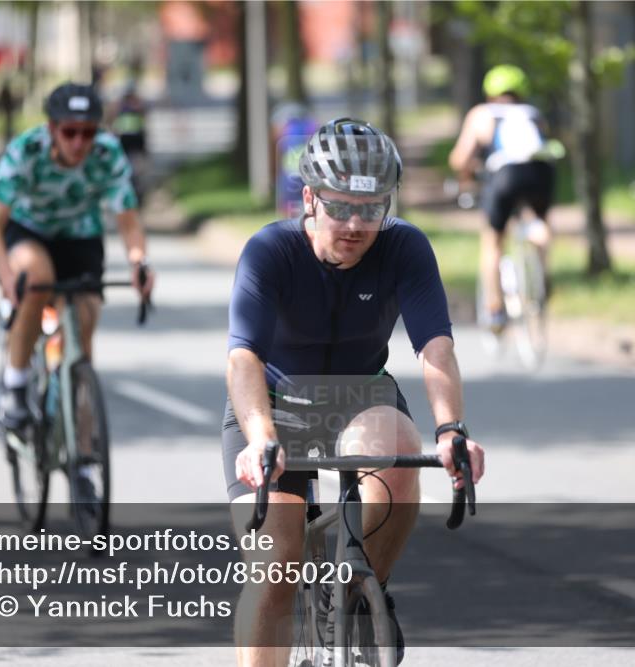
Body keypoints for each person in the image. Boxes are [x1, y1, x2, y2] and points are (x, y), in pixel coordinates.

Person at [223, 117, 485, 665]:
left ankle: (359, 594)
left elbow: (435, 348)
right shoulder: (270, 250)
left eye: (372, 209)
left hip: (360, 397)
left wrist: (451, 430)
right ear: (310, 199)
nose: (356, 224)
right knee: (274, 569)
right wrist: (260, 436)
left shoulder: (404, 247)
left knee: (401, 452)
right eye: (341, 207)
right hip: (274, 407)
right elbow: (244, 357)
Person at [0, 82, 155, 434]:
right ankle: (15, 384)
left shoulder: (107, 153)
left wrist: (139, 262)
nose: (79, 142)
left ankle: (83, 448)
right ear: (52, 129)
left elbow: (128, 221)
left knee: (84, 323)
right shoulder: (26, 151)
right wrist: (6, 276)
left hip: (80, 236)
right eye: (70, 132)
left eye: (88, 132)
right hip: (29, 230)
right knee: (37, 278)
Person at [448, 64, 556, 333]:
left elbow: (460, 158)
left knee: (493, 241)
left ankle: (495, 309)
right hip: (541, 171)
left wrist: (467, 176)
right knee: (538, 221)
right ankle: (542, 275)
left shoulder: (482, 113)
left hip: (506, 174)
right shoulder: (533, 113)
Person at [109, 82, 149, 207]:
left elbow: (143, 123)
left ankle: (137, 197)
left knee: (137, 172)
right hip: (125, 143)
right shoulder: (121, 106)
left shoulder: (138, 106)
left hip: (136, 144)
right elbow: (113, 122)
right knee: (126, 171)